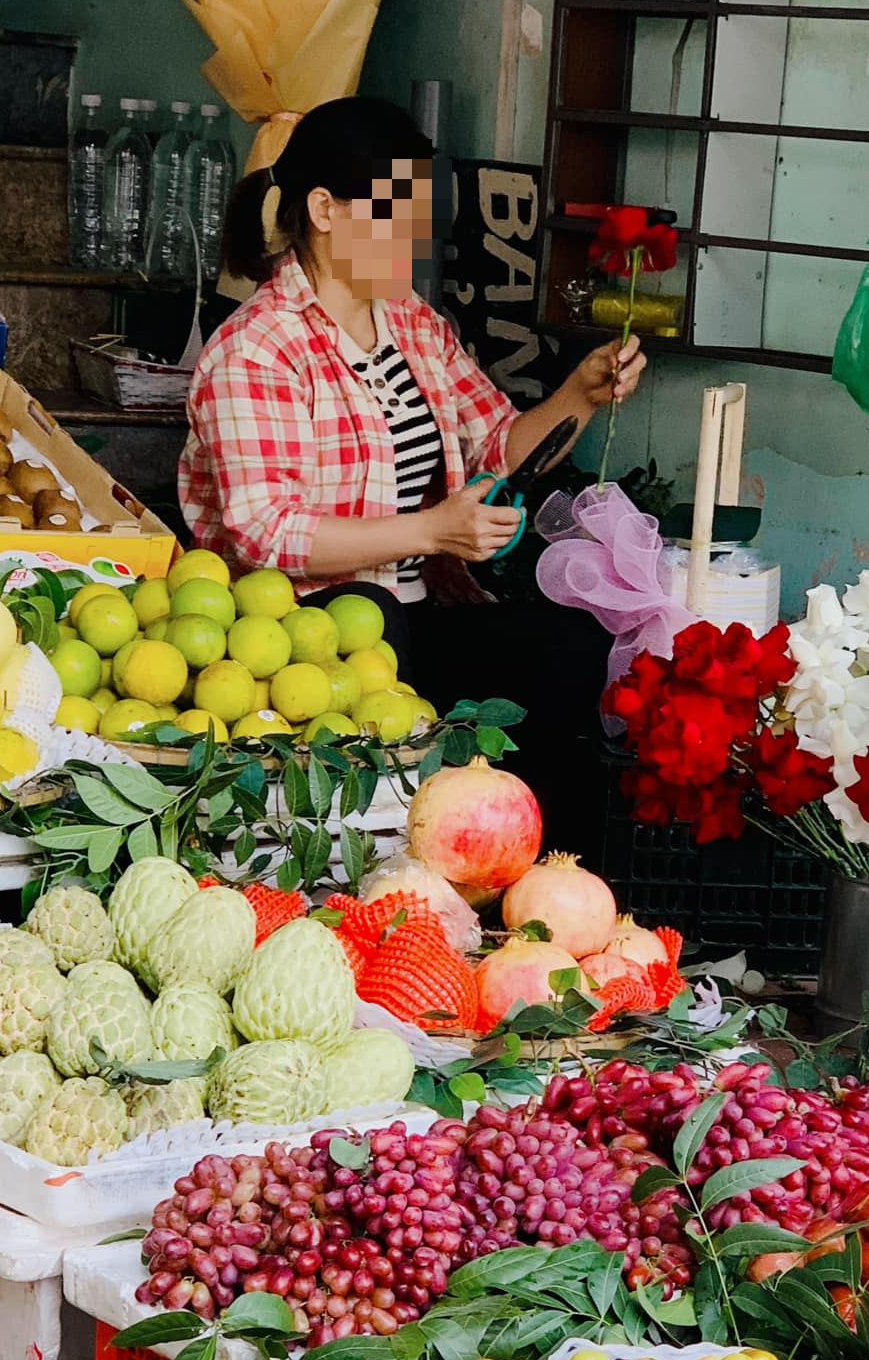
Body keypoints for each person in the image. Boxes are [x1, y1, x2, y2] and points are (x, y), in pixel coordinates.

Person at [178, 100, 643, 844]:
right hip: (304, 637)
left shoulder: (409, 321)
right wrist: (433, 531)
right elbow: (267, 533)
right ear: (326, 210)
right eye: (396, 214)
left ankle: (547, 885)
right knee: (373, 611)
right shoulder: (258, 349)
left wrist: (579, 395)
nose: (415, 237)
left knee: (570, 654)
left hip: (424, 613)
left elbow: (496, 444)